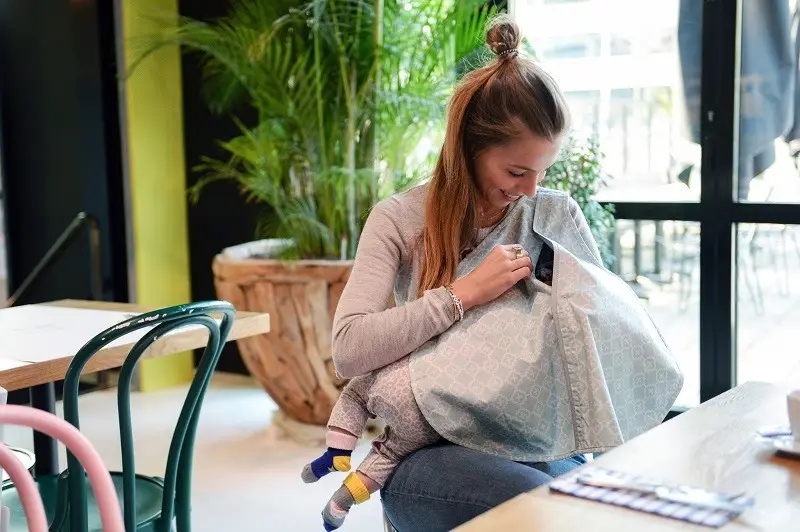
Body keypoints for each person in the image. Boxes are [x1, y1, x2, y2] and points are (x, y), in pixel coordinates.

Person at [327, 16, 590, 532]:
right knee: (543, 506)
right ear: (468, 149)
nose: (531, 190)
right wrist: (461, 295)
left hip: (536, 437)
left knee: (585, 502)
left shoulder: (555, 216)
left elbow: (595, 346)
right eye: (516, 171)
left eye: (544, 171)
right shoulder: (399, 220)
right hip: (433, 450)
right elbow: (349, 348)